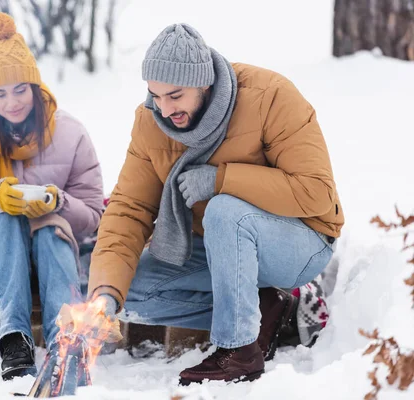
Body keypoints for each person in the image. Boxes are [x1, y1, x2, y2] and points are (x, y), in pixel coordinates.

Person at [86, 23, 343, 384]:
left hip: (300, 242)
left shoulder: (270, 96)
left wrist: (221, 178)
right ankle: (267, 309)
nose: (164, 108)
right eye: (155, 96)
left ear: (204, 83)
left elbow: (316, 192)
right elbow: (129, 209)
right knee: (131, 292)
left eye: (175, 95)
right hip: (219, 246)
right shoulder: (150, 121)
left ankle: (238, 351)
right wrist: (105, 294)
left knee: (225, 209)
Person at [0, 13, 103, 380]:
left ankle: (68, 343)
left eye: (20, 89)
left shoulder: (71, 134)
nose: (11, 103)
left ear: (36, 86)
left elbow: (93, 216)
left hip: (50, 254)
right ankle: (13, 340)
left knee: (49, 222)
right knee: (6, 216)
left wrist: (59, 202)